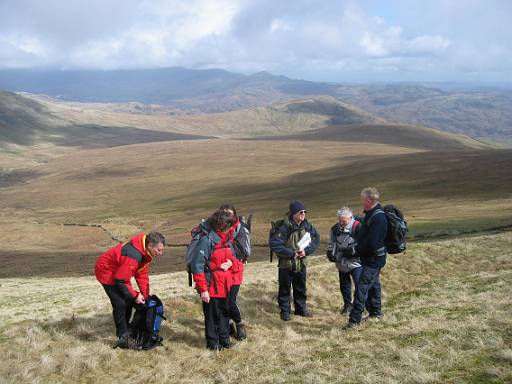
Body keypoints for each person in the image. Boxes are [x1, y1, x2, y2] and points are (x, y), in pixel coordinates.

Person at [95, 231, 166, 349]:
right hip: (106, 271)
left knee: (129, 300)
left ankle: (129, 330)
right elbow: (121, 280)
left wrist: (145, 296)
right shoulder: (134, 255)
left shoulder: (146, 253)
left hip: (118, 272)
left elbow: (142, 274)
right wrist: (135, 295)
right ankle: (123, 337)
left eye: (162, 250)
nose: (161, 253)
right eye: (159, 250)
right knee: (121, 303)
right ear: (150, 246)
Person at [190, 209, 239, 350]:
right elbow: (197, 266)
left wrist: (231, 262)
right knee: (211, 316)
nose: (231, 229)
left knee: (224, 314)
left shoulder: (228, 239)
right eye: (229, 226)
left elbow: (234, 258)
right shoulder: (206, 241)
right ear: (220, 227)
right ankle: (213, 343)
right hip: (211, 285)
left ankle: (224, 340)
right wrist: (203, 289)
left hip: (226, 285)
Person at [270, 200, 320, 321]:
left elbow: (316, 239)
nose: (303, 214)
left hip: (301, 263)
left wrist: (306, 251)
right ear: (293, 213)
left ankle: (300, 310)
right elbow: (275, 244)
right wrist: (291, 253)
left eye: (304, 211)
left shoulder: (307, 225)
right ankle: (285, 311)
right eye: (300, 212)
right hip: (286, 265)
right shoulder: (284, 227)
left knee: (300, 288)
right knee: (285, 289)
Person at [346, 187, 388, 328]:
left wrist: (355, 251)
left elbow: (373, 244)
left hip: (373, 259)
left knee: (362, 288)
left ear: (369, 201)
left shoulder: (378, 218)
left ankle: (354, 320)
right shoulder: (371, 214)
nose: (362, 202)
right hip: (370, 258)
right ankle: (376, 312)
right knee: (374, 284)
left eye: (363, 200)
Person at [219, 204, 248, 341]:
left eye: (229, 214)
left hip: (235, 270)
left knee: (230, 301)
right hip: (222, 271)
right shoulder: (218, 229)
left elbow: (242, 252)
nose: (227, 216)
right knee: (223, 301)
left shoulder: (239, 229)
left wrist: (231, 260)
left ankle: (239, 323)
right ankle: (228, 325)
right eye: (224, 213)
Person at [327, 207, 362, 315]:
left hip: (357, 263)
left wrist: (353, 251)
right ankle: (347, 305)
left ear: (350, 218)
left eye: (344, 220)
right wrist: (330, 253)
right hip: (341, 263)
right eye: (340, 220)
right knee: (344, 286)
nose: (341, 222)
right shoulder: (334, 229)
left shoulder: (359, 227)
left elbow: (364, 244)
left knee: (359, 286)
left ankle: (358, 306)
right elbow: (331, 242)